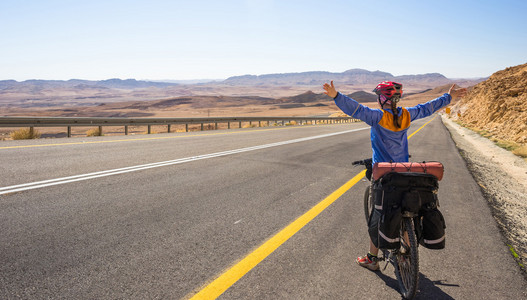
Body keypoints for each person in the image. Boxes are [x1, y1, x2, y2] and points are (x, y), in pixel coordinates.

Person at [323, 80, 466, 271]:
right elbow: (427, 108)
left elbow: (356, 109)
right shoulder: (406, 115)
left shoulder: (377, 116)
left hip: (383, 173)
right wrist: (448, 97)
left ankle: (372, 259)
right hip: (405, 171)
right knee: (405, 208)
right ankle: (408, 251)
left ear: (382, 98)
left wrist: (336, 96)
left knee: (378, 215)